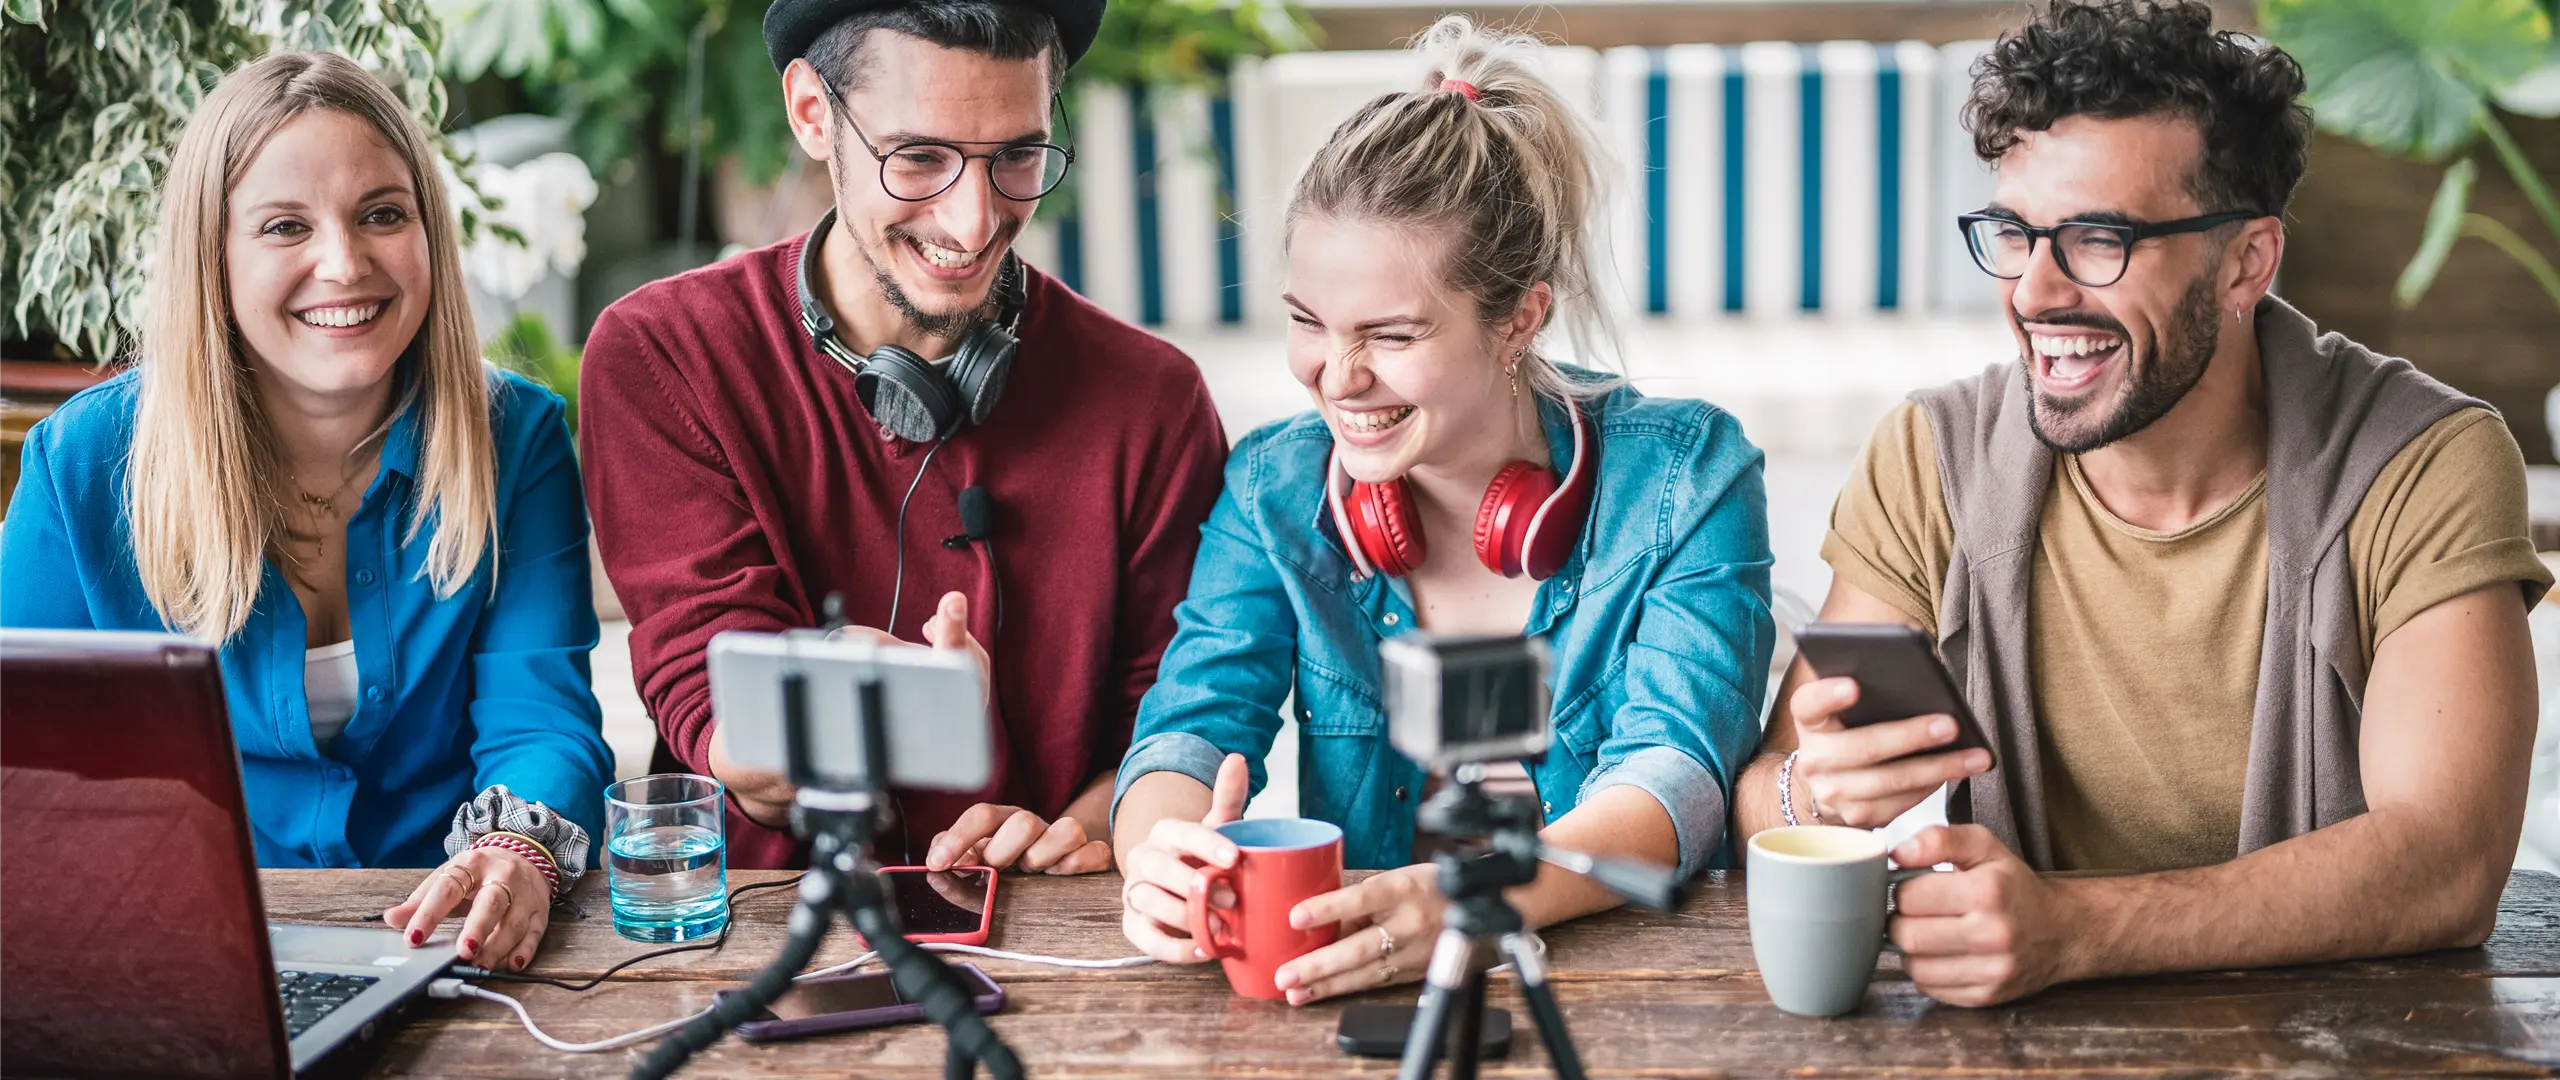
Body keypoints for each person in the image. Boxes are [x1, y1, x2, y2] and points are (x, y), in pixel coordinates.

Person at [1734, 0, 2552, 1006]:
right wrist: (1814, 793)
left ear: (2246, 260)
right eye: (2013, 234)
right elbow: (1770, 779)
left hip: (2335, 1039)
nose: (2035, 292)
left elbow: (2448, 867)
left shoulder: (2421, 464)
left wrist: (2074, 930)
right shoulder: (1932, 455)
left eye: (2096, 239)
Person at [1109, 16, 1775, 1006]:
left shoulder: (1690, 475)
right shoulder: (1271, 487)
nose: (1338, 378)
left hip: (1628, 984)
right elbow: (1191, 729)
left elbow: (1675, 775)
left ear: (1520, 319)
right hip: (1351, 989)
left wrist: (1477, 902)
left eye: (1390, 333)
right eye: (1307, 323)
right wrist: (1156, 853)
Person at [0, 52, 612, 974]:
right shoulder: (84, 465)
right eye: (285, 226)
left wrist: (517, 851)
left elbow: (541, 719)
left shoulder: (514, 439)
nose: (344, 263)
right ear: (214, 257)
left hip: (450, 942)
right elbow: (32, 776)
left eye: (381, 214)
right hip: (176, 949)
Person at [579, 0, 1227, 871]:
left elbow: (1171, 724)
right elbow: (704, 696)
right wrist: (825, 713)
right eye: (919, 159)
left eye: (1018, 158)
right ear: (813, 113)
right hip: (772, 931)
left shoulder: (1154, 400)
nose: (971, 223)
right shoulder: (666, 356)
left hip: (1044, 934)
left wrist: (1082, 833)